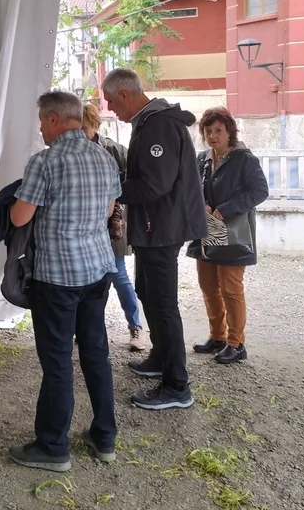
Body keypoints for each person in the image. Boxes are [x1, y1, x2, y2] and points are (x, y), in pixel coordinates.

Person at [8, 91, 121, 472]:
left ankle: (53, 446)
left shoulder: (45, 161)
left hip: (57, 276)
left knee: (57, 362)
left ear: (55, 119)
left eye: (42, 120)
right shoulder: (104, 157)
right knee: (95, 353)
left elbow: (20, 218)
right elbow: (108, 210)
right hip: (98, 270)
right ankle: (104, 437)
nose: (41, 128)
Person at [100, 69, 206, 411]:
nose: (111, 109)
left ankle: (177, 386)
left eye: (112, 102)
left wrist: (112, 189)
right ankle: (160, 357)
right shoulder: (148, 123)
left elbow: (156, 183)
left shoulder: (158, 124)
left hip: (162, 227)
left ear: (125, 95)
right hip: (152, 227)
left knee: (163, 305)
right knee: (147, 292)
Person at [187, 107, 268, 364]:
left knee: (231, 288)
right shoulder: (202, 159)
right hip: (206, 229)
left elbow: (260, 191)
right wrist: (202, 204)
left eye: (218, 131)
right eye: (208, 131)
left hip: (233, 231)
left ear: (230, 132)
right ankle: (217, 336)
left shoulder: (244, 159)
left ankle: (236, 343)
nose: (212, 136)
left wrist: (225, 208)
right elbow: (192, 187)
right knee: (208, 286)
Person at [81, 103, 146, 353]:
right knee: (88, 280)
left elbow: (133, 184)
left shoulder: (114, 150)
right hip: (85, 225)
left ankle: (136, 326)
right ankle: (87, 330)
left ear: (95, 125)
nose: (80, 134)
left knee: (118, 275)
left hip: (112, 224)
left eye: (84, 128)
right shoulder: (74, 151)